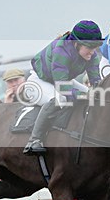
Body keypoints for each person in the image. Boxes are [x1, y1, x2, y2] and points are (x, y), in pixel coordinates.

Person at [24, 20, 104, 154]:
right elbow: (62, 88)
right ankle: (34, 140)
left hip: (63, 80)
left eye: (95, 47)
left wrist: (98, 92)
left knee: (96, 97)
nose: (92, 52)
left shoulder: (93, 56)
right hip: (39, 81)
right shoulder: (61, 51)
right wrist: (85, 95)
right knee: (56, 100)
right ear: (77, 43)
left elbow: (96, 81)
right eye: (89, 47)